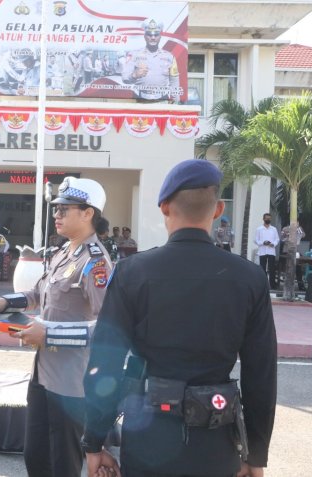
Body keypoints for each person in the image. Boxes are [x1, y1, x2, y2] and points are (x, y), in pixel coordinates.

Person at [82, 159, 277, 477]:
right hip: (217, 446)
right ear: (218, 210)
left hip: (147, 443)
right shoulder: (250, 278)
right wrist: (256, 456)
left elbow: (104, 364)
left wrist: (94, 443)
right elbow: (261, 377)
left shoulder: (133, 273)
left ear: (164, 207)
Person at [0, 177, 113, 477]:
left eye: (64, 209)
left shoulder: (96, 263)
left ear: (88, 213)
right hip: (43, 374)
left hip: (71, 383)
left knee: (62, 464)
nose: (57, 215)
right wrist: (3, 301)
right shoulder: (64, 252)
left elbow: (109, 328)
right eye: (56, 209)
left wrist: (50, 333)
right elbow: (37, 295)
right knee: (36, 457)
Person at [122, 19, 180, 102]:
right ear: (145, 36)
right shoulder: (134, 54)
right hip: (140, 100)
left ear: (160, 36)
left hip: (162, 100)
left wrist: (176, 102)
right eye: (149, 34)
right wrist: (134, 75)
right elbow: (124, 77)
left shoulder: (169, 57)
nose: (153, 38)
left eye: (156, 35)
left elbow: (174, 81)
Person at [255, 213, 280, 289]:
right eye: (266, 218)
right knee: (262, 269)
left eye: (269, 218)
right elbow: (256, 240)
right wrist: (263, 243)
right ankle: (263, 284)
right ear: (263, 219)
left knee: (272, 269)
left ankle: (272, 285)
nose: (268, 219)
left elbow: (277, 239)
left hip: (271, 251)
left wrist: (273, 244)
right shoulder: (259, 229)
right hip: (262, 251)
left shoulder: (274, 229)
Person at [280, 223, 306, 291]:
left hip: (296, 250)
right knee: (288, 268)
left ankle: (301, 285)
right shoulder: (285, 229)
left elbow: (303, 235)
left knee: (298, 268)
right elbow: (282, 238)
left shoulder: (299, 228)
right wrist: (289, 235)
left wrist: (298, 229)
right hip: (287, 250)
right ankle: (287, 285)